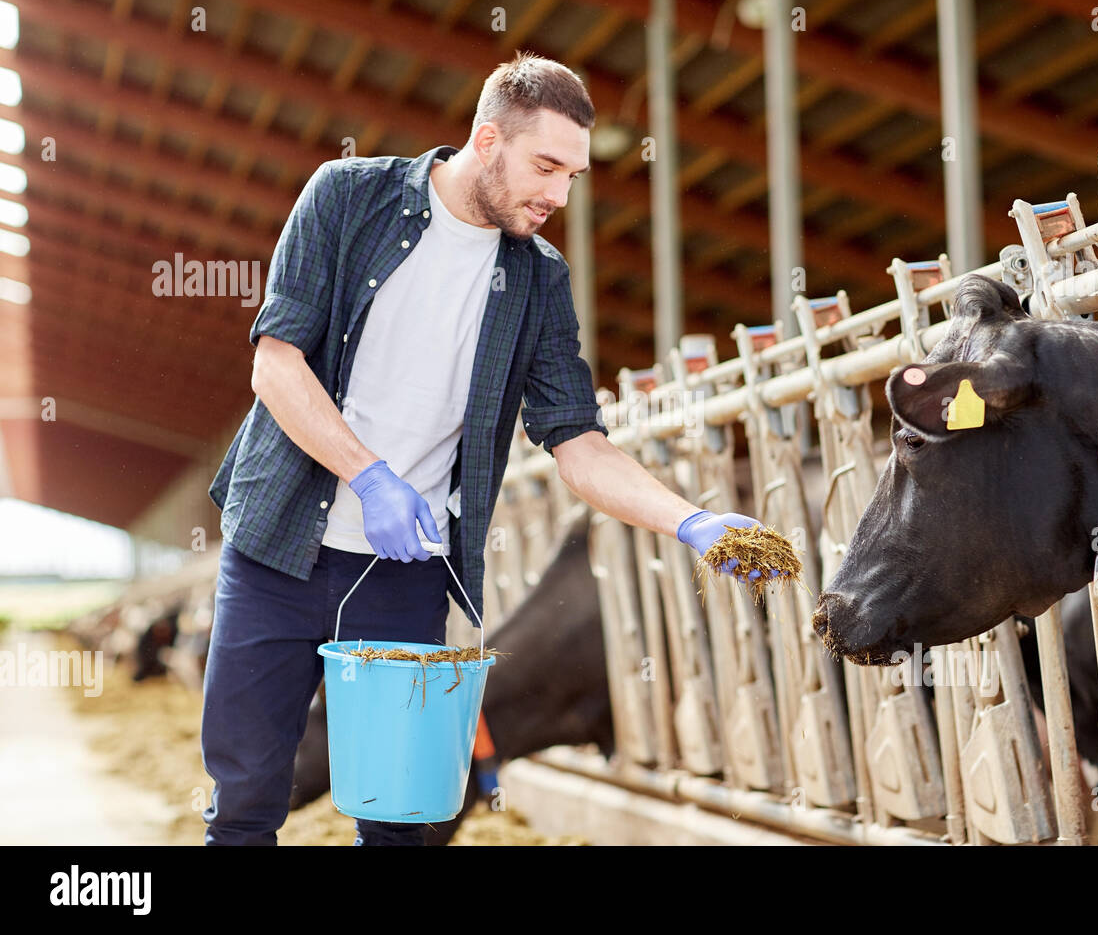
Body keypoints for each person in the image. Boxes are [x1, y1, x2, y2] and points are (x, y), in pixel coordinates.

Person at [201, 51, 782, 845]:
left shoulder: (539, 281)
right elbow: (277, 363)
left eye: (574, 176)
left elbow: (576, 439)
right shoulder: (346, 198)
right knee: (244, 800)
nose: (558, 195)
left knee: (403, 814)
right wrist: (371, 478)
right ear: (485, 140)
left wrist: (690, 522)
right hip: (275, 547)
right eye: (546, 166)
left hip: (398, 577)